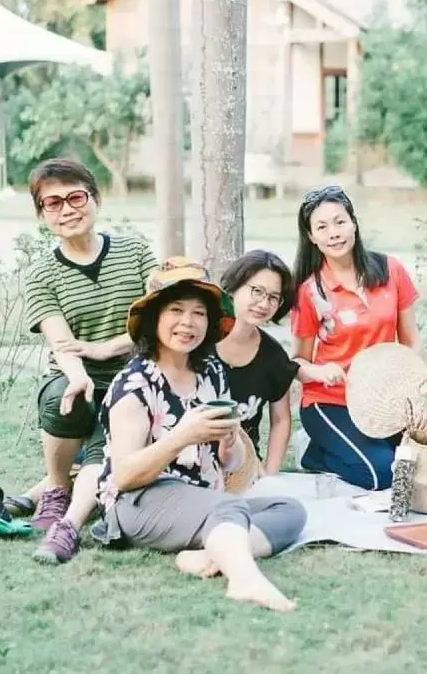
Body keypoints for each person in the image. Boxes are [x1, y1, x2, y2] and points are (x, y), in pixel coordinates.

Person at [95, 257, 306, 612]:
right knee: (226, 508)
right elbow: (126, 476)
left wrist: (229, 444)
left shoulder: (210, 373)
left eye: (198, 313)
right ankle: (244, 579)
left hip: (203, 498)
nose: (187, 323)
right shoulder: (134, 384)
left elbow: (229, 463)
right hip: (138, 501)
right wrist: (180, 436)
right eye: (175, 310)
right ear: (154, 318)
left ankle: (209, 553)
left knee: (289, 511)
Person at [18, 158, 157, 564]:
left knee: (105, 454)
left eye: (76, 197)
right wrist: (81, 376)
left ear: (95, 200)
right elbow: (62, 344)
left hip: (136, 373)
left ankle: (70, 507)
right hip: (77, 373)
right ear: (42, 214)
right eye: (53, 203)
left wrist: (107, 349)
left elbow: (155, 321)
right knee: (61, 395)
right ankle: (56, 488)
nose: (67, 209)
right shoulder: (42, 274)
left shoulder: (133, 251)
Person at [290, 185, 423, 491]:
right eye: (321, 227)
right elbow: (297, 361)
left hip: (385, 401)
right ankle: (312, 453)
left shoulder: (391, 270)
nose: (333, 233)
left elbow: (412, 341)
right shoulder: (309, 290)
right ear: (311, 237)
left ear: (354, 222)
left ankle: (348, 448)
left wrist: (412, 388)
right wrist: (319, 372)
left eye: (340, 221)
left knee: (415, 465)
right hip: (330, 402)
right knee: (383, 475)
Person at [216, 250, 300, 475]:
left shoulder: (273, 356)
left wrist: (268, 473)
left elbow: (281, 420)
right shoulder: (200, 340)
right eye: (257, 291)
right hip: (189, 463)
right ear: (234, 288)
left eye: (273, 297)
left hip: (241, 467)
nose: (264, 303)